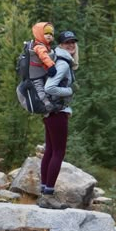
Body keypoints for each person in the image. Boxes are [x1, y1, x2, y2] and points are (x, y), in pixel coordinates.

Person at [37, 30, 79, 210]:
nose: (71, 45)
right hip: (57, 112)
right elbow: (50, 87)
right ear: (60, 45)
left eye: (73, 42)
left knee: (50, 150)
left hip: (50, 112)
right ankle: (48, 195)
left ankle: (44, 192)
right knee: (58, 152)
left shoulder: (57, 59)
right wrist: (68, 91)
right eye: (67, 42)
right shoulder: (62, 63)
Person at [31, 22, 57, 111]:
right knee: (39, 88)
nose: (49, 36)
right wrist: (51, 66)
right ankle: (46, 102)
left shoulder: (44, 45)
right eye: (46, 33)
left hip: (40, 72)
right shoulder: (39, 46)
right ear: (39, 34)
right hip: (36, 73)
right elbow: (44, 56)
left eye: (51, 34)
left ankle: (48, 102)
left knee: (43, 86)